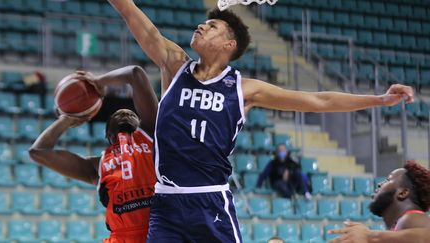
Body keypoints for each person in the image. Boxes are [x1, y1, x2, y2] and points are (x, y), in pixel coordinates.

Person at [108, 1, 414, 242]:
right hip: (166, 203)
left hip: (210, 201)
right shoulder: (174, 65)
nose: (201, 26)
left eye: (212, 26)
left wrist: (379, 99)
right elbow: (129, 10)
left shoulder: (244, 88)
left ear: (229, 45)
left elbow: (319, 101)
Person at [29, 66, 158, 243]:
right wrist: (67, 118)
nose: (123, 113)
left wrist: (97, 82)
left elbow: (136, 73)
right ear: (108, 137)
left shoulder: (152, 139)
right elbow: (37, 153)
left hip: (156, 233)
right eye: (117, 116)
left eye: (129, 114)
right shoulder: (98, 166)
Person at [328, 160, 430, 243]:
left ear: (403, 193)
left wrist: (370, 236)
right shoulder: (399, 229)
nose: (380, 184)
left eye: (388, 180)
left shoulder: (412, 217)